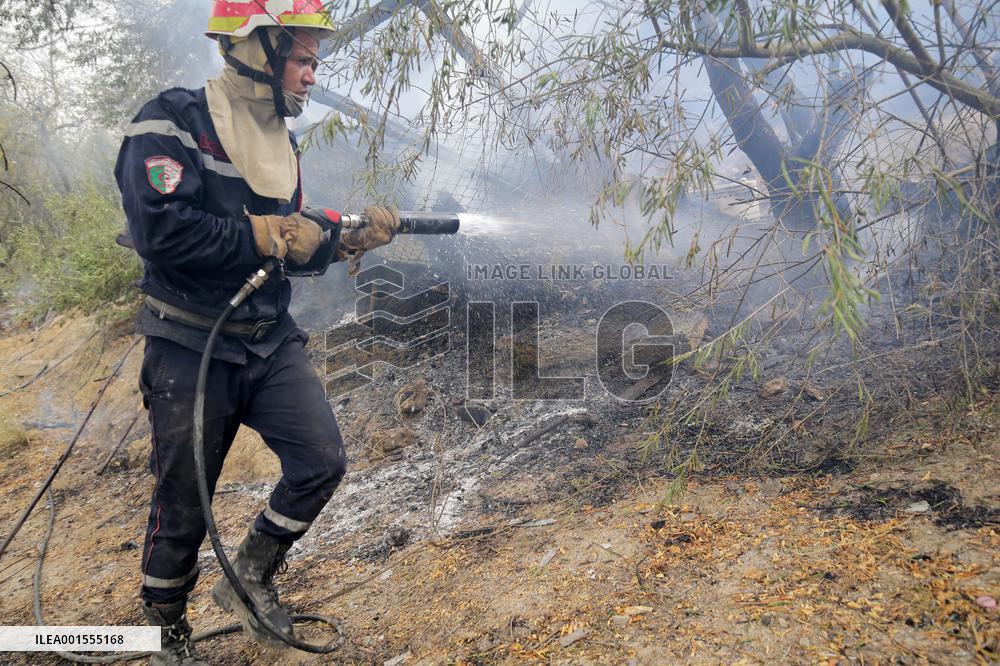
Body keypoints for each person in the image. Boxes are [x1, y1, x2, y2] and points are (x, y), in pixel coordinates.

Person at [114, 1, 398, 663]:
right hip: (191, 345)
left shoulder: (279, 141)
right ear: (255, 50)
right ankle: (165, 629)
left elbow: (288, 247)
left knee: (320, 461)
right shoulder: (169, 123)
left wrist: (345, 242)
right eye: (301, 59)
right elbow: (161, 231)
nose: (310, 75)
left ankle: (249, 578)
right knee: (185, 500)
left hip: (267, 338)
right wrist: (260, 232)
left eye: (313, 61)